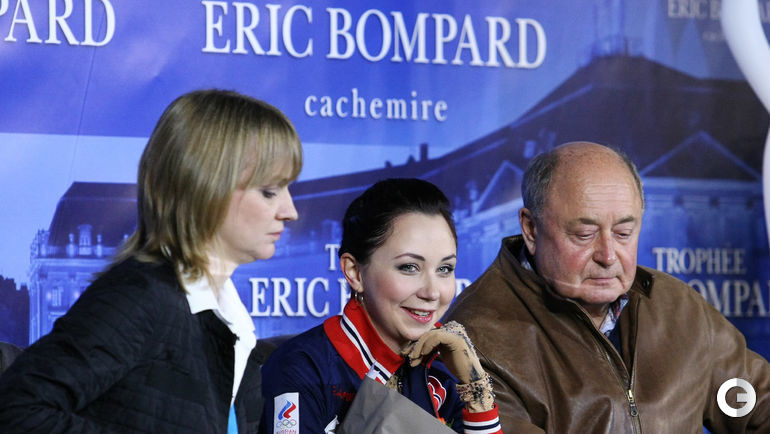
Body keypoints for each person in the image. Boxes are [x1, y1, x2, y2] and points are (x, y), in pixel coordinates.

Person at [0, 89, 302, 433]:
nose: (290, 211)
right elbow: (17, 410)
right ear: (207, 189)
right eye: (269, 191)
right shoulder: (141, 296)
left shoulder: (230, 321)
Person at [444, 141, 770, 432]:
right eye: (584, 235)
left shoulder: (678, 308)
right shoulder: (475, 342)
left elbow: (757, 405)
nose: (608, 255)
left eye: (624, 233)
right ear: (531, 229)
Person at [259, 178, 502, 433]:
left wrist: (477, 392)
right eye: (409, 267)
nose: (432, 292)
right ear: (355, 272)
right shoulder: (302, 367)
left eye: (445, 269)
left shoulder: (446, 370)